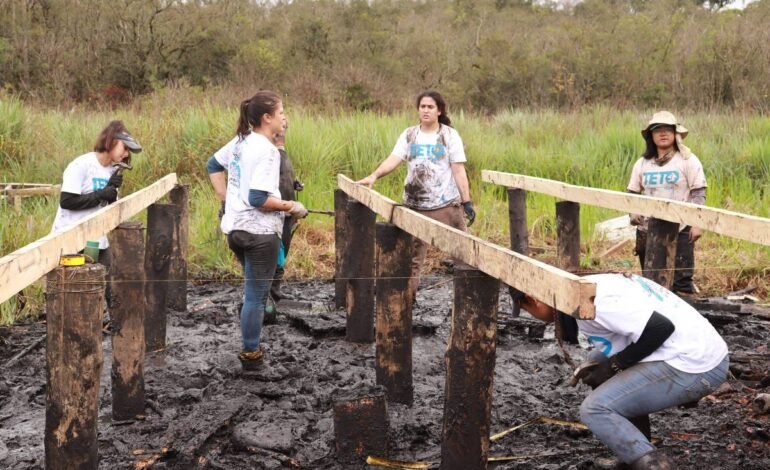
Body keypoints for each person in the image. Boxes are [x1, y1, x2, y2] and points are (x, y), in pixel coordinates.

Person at [513, 273, 729, 469]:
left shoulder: (595, 304)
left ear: (535, 299)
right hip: (691, 347)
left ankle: (653, 465)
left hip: (697, 363)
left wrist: (619, 364)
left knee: (595, 409)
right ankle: (634, 449)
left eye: (526, 309)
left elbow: (661, 328)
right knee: (597, 364)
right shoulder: (582, 287)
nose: (531, 315)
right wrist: (612, 364)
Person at [206, 91, 308, 370]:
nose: (284, 117)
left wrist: (226, 199)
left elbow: (213, 165)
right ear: (267, 118)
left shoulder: (241, 141)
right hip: (259, 233)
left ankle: (256, 328)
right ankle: (252, 358)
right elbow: (259, 199)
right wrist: (291, 207)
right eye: (281, 112)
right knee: (255, 296)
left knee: (254, 291)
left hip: (235, 231)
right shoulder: (267, 151)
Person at [356, 90, 475, 296]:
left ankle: (469, 302)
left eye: (430, 107)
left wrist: (467, 201)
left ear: (439, 111)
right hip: (414, 207)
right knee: (410, 262)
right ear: (418, 110)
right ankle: (406, 304)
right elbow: (394, 159)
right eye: (422, 107)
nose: (426, 110)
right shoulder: (410, 134)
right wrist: (374, 175)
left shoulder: (448, 135)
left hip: (445, 207)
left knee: (464, 257)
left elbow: (458, 169)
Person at [628, 111, 707, 294]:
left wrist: (697, 223)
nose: (662, 134)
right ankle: (656, 318)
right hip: (648, 228)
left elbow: (698, 192)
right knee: (651, 279)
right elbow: (632, 191)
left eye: (667, 130)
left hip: (681, 228)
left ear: (675, 134)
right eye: (657, 130)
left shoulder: (688, 160)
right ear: (651, 136)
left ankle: (683, 316)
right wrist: (633, 213)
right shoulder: (643, 163)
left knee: (681, 280)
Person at [51, 120, 142, 274]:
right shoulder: (81, 165)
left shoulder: (111, 171)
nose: (126, 154)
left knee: (105, 290)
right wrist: (102, 193)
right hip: (70, 241)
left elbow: (108, 208)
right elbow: (67, 201)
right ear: (112, 140)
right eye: (125, 148)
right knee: (75, 291)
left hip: (97, 241)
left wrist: (111, 193)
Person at [269, 123, 304, 305]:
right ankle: (269, 293)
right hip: (276, 212)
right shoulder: (269, 154)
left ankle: (275, 290)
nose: (282, 134)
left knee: (283, 251)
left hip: (287, 213)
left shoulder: (282, 152)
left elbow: (284, 177)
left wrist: (294, 183)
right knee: (276, 252)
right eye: (280, 131)